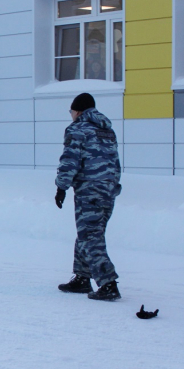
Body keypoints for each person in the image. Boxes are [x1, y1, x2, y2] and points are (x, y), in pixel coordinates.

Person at [55, 93, 122, 301]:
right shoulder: (107, 130)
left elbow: (70, 160)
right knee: (89, 232)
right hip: (108, 190)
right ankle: (82, 278)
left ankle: (108, 283)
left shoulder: (77, 129)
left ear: (78, 111)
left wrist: (61, 187)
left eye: (71, 112)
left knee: (91, 236)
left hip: (89, 190)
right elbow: (115, 163)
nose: (71, 116)